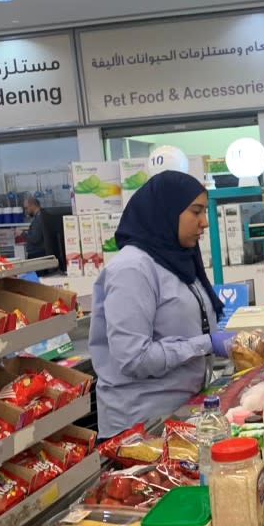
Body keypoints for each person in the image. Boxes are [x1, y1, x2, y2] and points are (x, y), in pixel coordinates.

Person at [89, 170, 234, 439]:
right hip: (140, 431)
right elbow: (134, 358)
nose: (204, 222)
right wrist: (206, 344)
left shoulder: (177, 259)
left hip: (178, 416)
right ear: (167, 211)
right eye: (196, 211)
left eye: (205, 212)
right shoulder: (132, 269)